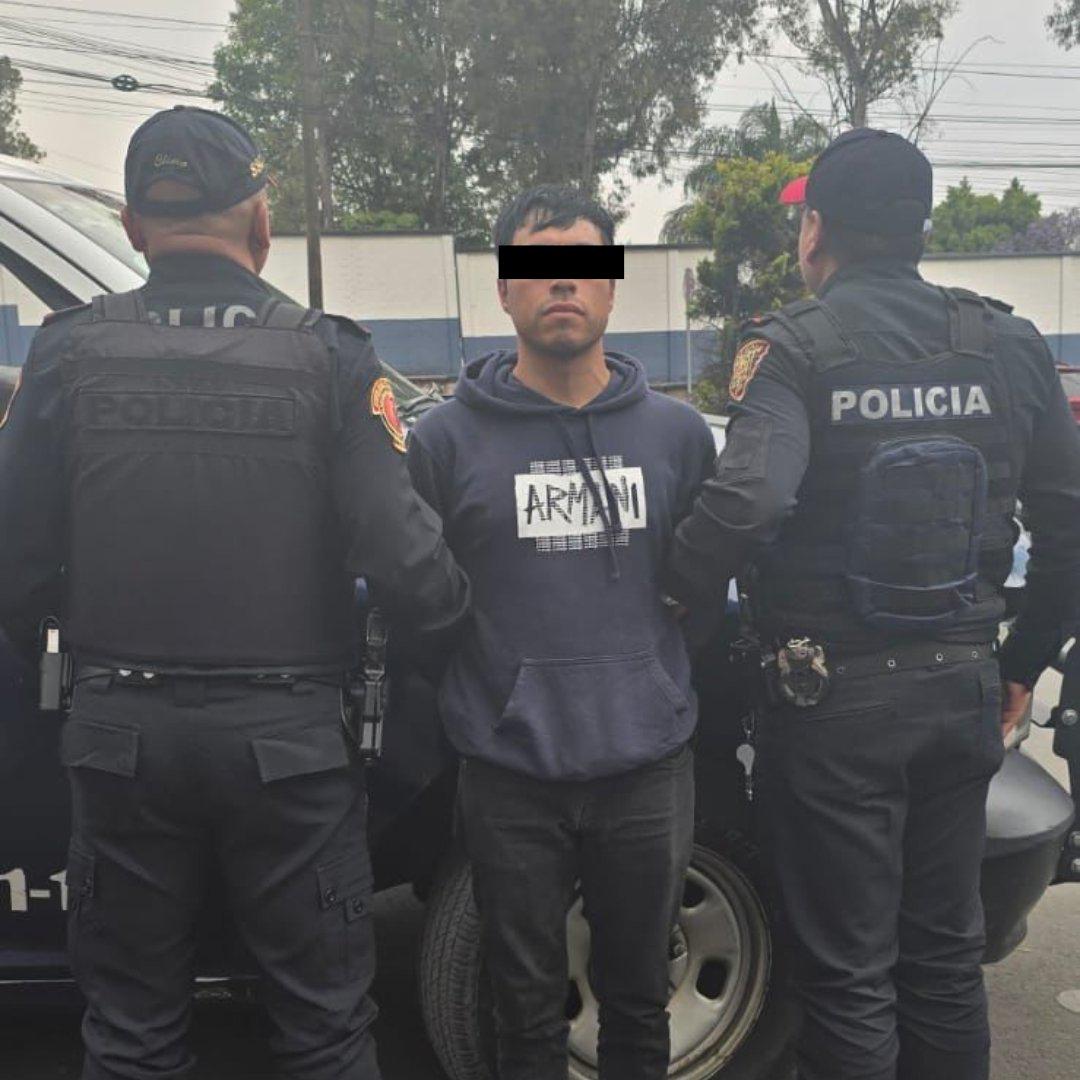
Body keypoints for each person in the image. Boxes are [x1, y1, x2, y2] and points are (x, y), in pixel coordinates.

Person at [0, 106, 469, 1080]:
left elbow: (13, 558)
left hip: (119, 737)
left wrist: (76, 656)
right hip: (289, 749)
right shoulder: (331, 356)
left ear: (134, 226)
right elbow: (405, 562)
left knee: (130, 1033)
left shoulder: (68, 352)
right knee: (324, 1032)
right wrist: (453, 642)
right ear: (260, 219)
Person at [667, 128, 1080, 1080]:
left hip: (833, 709)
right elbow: (1069, 524)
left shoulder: (791, 348)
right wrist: (1021, 664)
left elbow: (749, 500)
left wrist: (673, 594)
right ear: (919, 226)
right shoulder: (1007, 342)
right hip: (961, 692)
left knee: (850, 975)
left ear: (815, 230)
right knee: (944, 960)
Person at [407, 185, 716, 1080]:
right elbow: (421, 605)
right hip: (509, 774)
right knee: (524, 1009)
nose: (563, 285)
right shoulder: (443, 442)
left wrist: (649, 684)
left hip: (647, 767)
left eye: (583, 266)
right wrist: (493, 694)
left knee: (638, 1003)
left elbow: (701, 591)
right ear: (505, 290)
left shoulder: (678, 436)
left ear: (612, 286)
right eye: (538, 269)